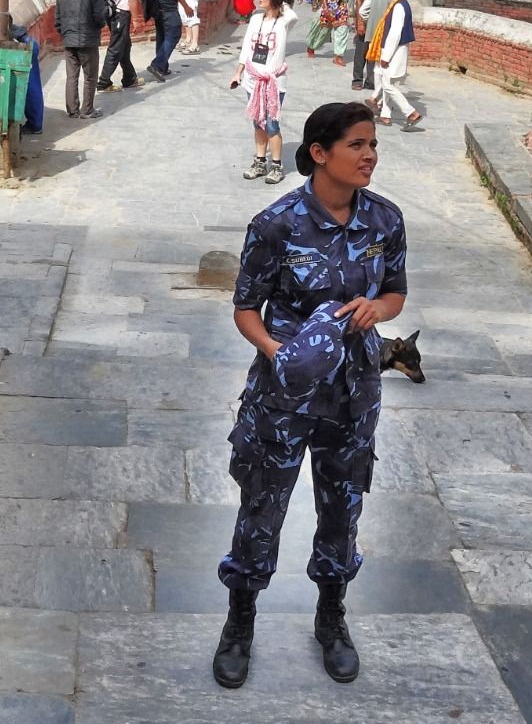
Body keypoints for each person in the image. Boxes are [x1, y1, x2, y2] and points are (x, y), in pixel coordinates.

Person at [211, 100, 408, 690]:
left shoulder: (385, 221)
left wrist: (378, 310)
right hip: (285, 397)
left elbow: (395, 292)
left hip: (353, 394)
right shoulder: (276, 224)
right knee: (261, 507)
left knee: (343, 507)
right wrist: (278, 354)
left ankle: (331, 617)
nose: (369, 156)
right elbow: (246, 308)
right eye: (356, 145)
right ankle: (240, 622)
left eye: (373, 145)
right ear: (319, 153)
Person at [229, 0, 298, 185]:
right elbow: (246, 49)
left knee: (271, 124)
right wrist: (238, 73)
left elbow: (293, 14)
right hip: (253, 79)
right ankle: (260, 162)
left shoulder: (284, 21)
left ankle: (276, 166)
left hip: (274, 82)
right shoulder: (255, 19)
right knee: (258, 122)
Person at [366, 0, 423, 130]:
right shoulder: (399, 4)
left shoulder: (399, 6)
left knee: (388, 85)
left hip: (394, 51)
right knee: (388, 83)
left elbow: (394, 34)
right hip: (395, 51)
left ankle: (411, 113)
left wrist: (385, 57)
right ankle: (385, 115)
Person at [54, 0, 107, 118]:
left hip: (69, 40)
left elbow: (57, 20)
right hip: (87, 41)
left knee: (72, 76)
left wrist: (66, 34)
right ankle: (87, 109)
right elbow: (100, 18)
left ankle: (72, 110)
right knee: (90, 77)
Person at [98, 0, 145, 92]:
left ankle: (129, 78)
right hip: (121, 14)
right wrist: (136, 20)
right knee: (117, 47)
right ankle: (104, 82)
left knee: (125, 45)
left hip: (111, 11)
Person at [351, 0, 390, 92]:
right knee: (361, 50)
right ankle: (357, 79)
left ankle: (370, 80)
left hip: (379, 20)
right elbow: (359, 1)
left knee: (374, 50)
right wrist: (359, 22)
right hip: (366, 19)